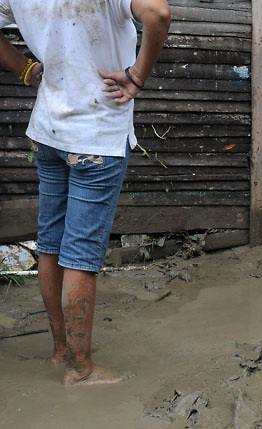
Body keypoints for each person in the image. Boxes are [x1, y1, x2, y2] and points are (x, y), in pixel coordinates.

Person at [0, 0, 171, 386]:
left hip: (48, 131)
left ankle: (61, 350)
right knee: (80, 254)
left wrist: (25, 68)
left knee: (51, 244)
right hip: (96, 135)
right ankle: (81, 369)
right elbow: (158, 14)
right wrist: (137, 76)